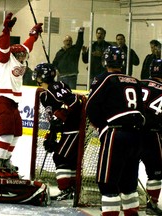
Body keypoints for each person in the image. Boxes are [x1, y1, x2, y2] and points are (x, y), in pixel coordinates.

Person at [86, 46, 145, 216]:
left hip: (115, 134)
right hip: (136, 135)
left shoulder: (104, 78)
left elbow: (91, 107)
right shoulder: (134, 80)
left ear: (105, 61)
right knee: (129, 184)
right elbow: (142, 109)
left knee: (108, 183)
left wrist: (101, 126)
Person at [0, 12, 43, 170]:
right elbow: (4, 46)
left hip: (13, 103)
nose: (23, 56)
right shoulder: (6, 59)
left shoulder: (20, 57)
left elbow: (28, 45)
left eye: (23, 54)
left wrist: (33, 34)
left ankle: (6, 160)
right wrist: (6, 31)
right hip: (2, 100)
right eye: (20, 55)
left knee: (17, 134)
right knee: (7, 134)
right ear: (14, 54)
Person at [32, 63, 83, 201]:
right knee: (68, 159)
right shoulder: (45, 94)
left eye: (37, 73)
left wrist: (61, 115)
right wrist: (52, 134)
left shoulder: (56, 87)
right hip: (69, 130)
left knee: (60, 158)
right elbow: (55, 116)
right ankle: (71, 189)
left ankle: (66, 189)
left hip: (74, 129)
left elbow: (73, 102)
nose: (35, 76)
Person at [140, 59, 162, 215]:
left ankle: (121, 202)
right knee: (156, 171)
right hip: (152, 135)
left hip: (128, 132)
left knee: (125, 169)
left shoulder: (137, 83)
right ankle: (151, 205)